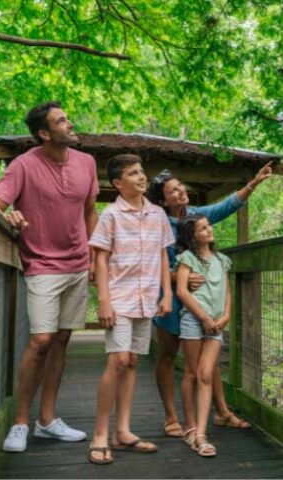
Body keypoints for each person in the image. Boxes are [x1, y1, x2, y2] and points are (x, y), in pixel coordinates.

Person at [0, 101, 98, 453]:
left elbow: (90, 211)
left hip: (78, 264)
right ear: (43, 133)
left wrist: (93, 256)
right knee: (40, 341)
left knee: (62, 340)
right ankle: (21, 422)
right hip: (41, 265)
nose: (69, 123)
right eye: (61, 120)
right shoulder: (23, 165)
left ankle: (48, 421)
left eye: (67, 117)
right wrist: (10, 218)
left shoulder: (87, 163)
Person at [147, 162, 273, 437]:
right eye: (173, 191)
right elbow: (146, 263)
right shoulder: (155, 222)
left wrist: (253, 184)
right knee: (168, 355)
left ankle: (222, 412)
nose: (181, 192)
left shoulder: (194, 215)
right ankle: (171, 417)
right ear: (162, 200)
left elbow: (225, 207)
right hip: (172, 299)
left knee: (208, 358)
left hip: (201, 299)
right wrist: (175, 277)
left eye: (181, 187)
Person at [87, 154, 175, 465]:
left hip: (147, 298)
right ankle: (100, 434)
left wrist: (167, 295)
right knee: (118, 361)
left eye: (142, 172)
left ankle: (122, 432)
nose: (141, 177)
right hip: (119, 298)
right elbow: (99, 259)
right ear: (117, 183)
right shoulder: (110, 216)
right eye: (133, 174)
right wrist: (104, 300)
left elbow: (164, 256)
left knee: (134, 362)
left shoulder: (158, 215)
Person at [175, 215, 233, 457]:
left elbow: (227, 291)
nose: (208, 230)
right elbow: (181, 291)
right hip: (194, 320)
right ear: (192, 236)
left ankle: (200, 433)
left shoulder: (222, 260)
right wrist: (204, 318)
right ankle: (192, 429)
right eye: (202, 228)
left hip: (216, 325)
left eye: (208, 226)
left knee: (206, 374)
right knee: (191, 372)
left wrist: (225, 316)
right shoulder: (188, 259)